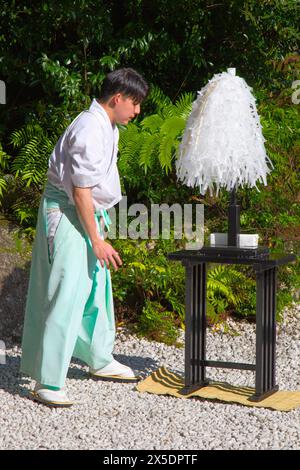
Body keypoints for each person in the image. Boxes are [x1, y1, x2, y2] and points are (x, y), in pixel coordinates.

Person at [19, 68, 149, 407]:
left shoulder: (108, 125)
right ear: (117, 98)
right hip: (65, 213)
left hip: (87, 212)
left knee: (95, 285)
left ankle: (99, 357)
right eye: (134, 104)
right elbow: (79, 192)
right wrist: (97, 240)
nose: (137, 111)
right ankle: (47, 379)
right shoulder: (89, 129)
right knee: (64, 290)